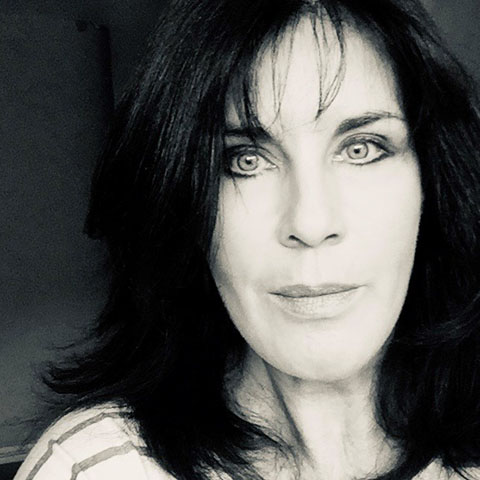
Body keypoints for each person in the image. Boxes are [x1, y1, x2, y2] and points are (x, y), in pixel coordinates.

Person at [14, 0, 480, 479]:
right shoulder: (93, 468)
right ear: (186, 207)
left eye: (362, 149)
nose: (310, 222)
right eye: (245, 160)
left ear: (433, 182)